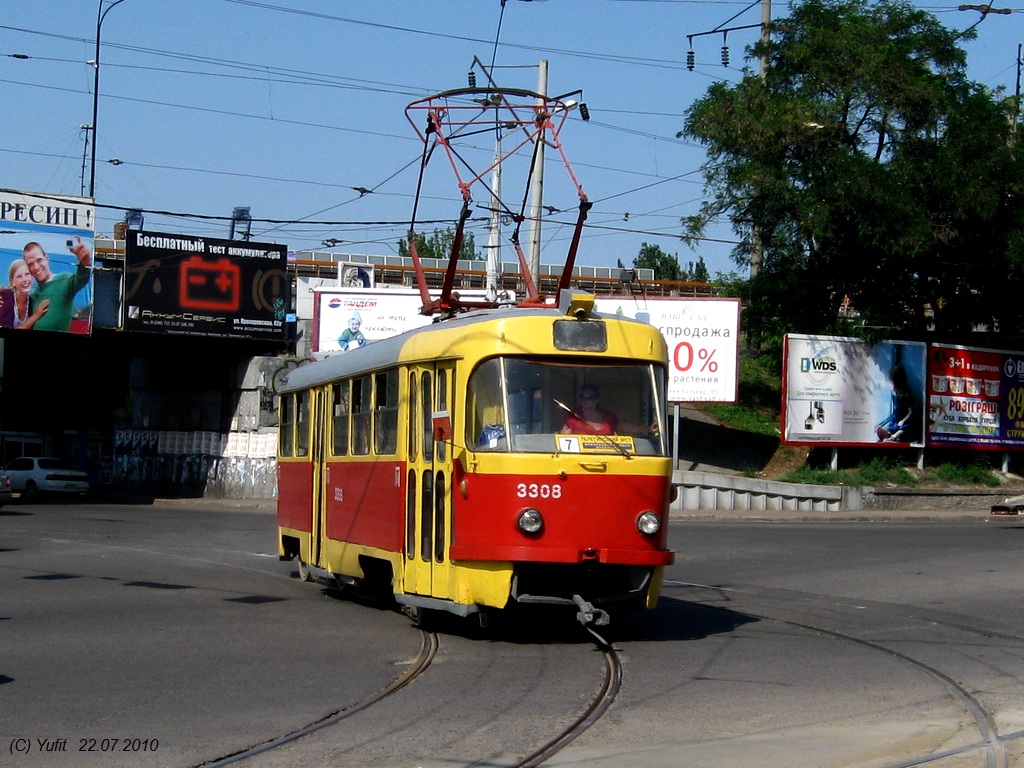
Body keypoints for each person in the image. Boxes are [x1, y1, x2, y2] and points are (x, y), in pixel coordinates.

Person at [22, 238, 92, 333]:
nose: (36, 267)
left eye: (39, 260)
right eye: (31, 264)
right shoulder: (32, 296)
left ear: (46, 258)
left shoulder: (64, 280)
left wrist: (85, 261)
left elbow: (82, 278)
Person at [6, 259, 50, 329]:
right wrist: (35, 316)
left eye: (27, 274)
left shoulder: (32, 302)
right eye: (19, 276)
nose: (25, 279)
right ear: (12, 282)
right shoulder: (5, 298)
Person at [876, 363, 914, 442]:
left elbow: (911, 411)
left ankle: (893, 437)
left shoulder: (906, 394)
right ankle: (890, 435)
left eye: (892, 381)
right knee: (893, 426)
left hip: (903, 419)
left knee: (905, 427)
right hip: (897, 418)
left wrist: (903, 420)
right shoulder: (895, 394)